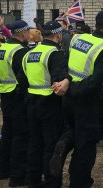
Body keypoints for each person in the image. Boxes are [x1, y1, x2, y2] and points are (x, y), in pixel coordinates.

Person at [50, 10, 103, 187]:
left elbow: (67, 63)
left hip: (68, 98)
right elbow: (95, 82)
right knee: (86, 147)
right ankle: (80, 182)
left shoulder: (78, 38)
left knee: (73, 131)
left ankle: (64, 143)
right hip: (87, 102)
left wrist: (65, 83)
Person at [22, 21, 71, 188]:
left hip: (32, 102)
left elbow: (23, 78)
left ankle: (33, 180)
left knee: (34, 144)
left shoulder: (30, 53)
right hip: (50, 104)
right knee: (51, 147)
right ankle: (51, 182)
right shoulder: (55, 53)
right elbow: (60, 80)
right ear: (57, 35)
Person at [0, 20, 31, 186]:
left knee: (8, 134)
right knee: (20, 137)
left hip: (5, 94)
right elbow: (24, 76)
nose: (30, 35)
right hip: (17, 96)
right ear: (22, 33)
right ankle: (18, 176)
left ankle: (3, 169)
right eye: (28, 32)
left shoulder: (3, 48)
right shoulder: (20, 51)